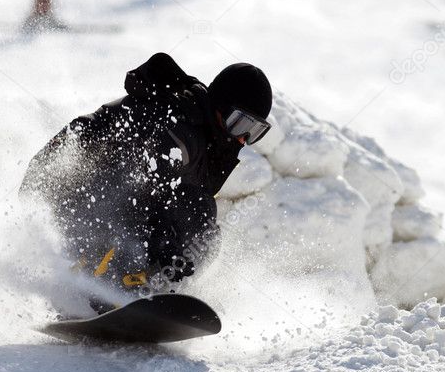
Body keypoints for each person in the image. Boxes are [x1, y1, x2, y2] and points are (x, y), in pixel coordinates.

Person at [19, 52, 273, 310]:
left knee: (204, 232)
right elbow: (140, 185)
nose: (243, 138)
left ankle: (142, 287)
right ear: (221, 106)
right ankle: (100, 282)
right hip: (59, 185)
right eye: (240, 123)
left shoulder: (208, 138)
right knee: (166, 213)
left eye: (254, 132)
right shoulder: (177, 124)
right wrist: (163, 242)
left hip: (98, 196)